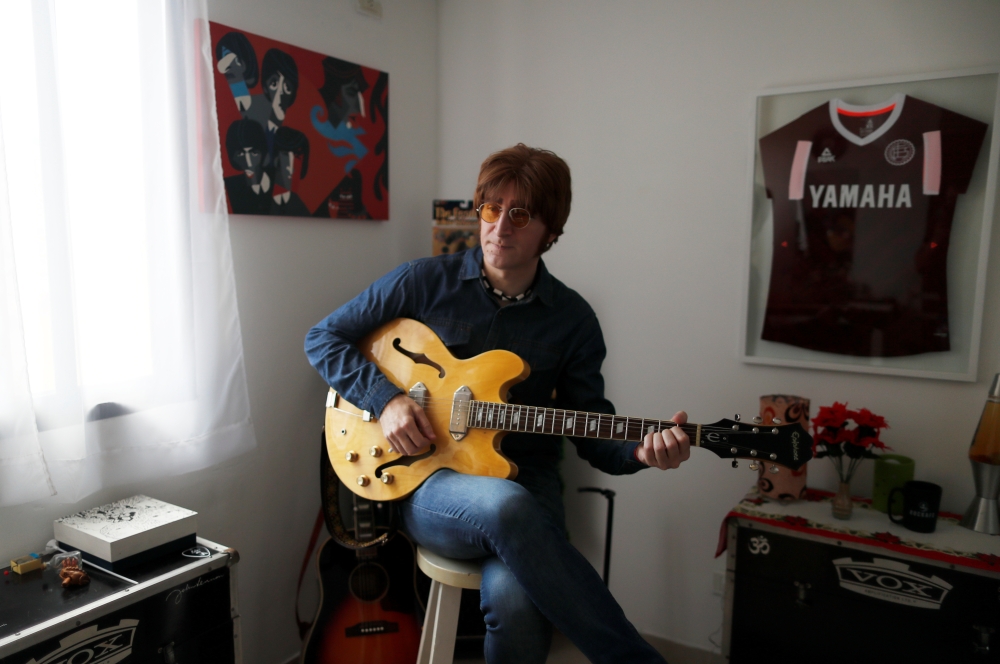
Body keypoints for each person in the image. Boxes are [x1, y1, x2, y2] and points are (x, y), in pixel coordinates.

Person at [304, 144, 689, 664]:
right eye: (491, 208)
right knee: (505, 506)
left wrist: (641, 452)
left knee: (516, 602)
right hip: (429, 478)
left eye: (521, 214)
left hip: (527, 480)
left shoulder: (573, 319)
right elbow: (323, 338)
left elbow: (593, 429)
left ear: (551, 232)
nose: (499, 227)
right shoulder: (422, 281)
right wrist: (387, 399)